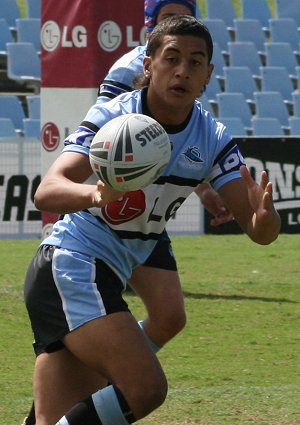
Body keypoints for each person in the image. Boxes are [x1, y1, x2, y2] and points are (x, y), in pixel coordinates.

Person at [24, 15, 281, 425]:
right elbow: (47, 191)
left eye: (195, 62)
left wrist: (266, 219)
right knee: (145, 387)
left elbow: (259, 231)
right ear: (148, 65)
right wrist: (95, 193)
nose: (182, 70)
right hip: (71, 265)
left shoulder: (212, 138)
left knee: (54, 417)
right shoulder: (113, 118)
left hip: (116, 263)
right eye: (171, 58)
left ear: (208, 75)